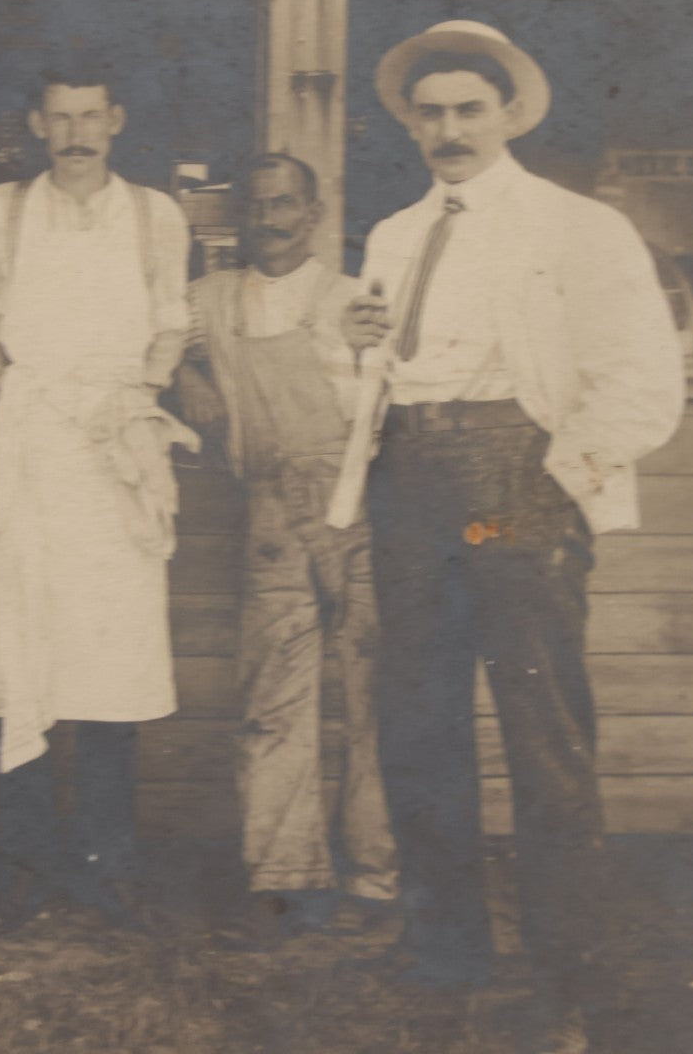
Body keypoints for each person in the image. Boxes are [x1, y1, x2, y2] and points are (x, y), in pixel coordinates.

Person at [341, 21, 685, 1051]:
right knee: (417, 725)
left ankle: (571, 972)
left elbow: (639, 381)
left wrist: (558, 486)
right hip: (408, 485)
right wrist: (351, 351)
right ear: (410, 124)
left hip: (510, 488)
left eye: (467, 111)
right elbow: (380, 382)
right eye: (429, 113)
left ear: (507, 116)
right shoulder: (394, 236)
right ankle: (444, 955)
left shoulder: (575, 227)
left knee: (540, 736)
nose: (447, 129)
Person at [0, 65, 196, 928]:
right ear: (34, 122)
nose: (75, 133)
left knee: (111, 658)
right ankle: (25, 863)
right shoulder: (1, 210)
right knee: (24, 645)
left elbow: (172, 321)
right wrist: (0, 417)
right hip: (27, 447)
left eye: (90, 115)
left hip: (115, 449)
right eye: (58, 117)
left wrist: (139, 399)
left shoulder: (154, 215)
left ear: (117, 119)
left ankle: (105, 864)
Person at [176, 153, 398, 947]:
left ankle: (375, 876)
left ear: (311, 214)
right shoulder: (208, 300)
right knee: (273, 699)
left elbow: (388, 402)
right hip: (268, 513)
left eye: (284, 206)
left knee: (371, 695)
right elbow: (149, 336)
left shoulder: (353, 299)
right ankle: (285, 877)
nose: (268, 220)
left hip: (357, 510)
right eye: (257, 205)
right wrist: (185, 370)